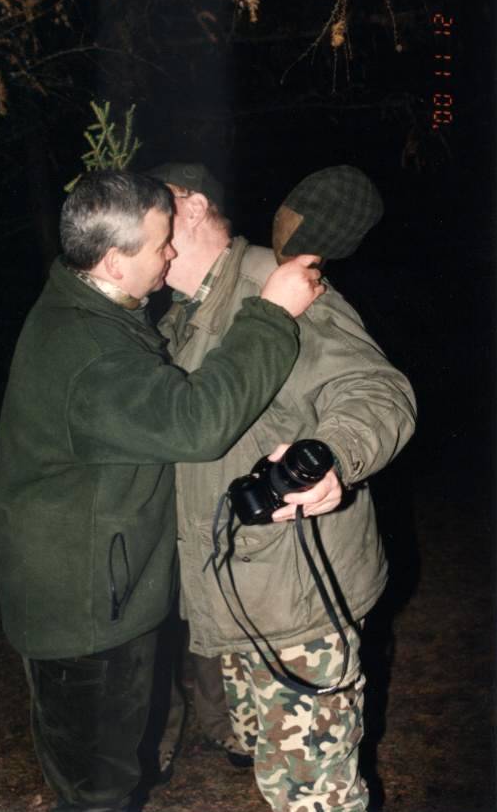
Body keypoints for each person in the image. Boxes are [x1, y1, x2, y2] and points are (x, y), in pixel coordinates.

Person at [0, 170, 325, 812]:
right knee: (98, 792)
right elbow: (197, 422)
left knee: (106, 776)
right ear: (115, 260)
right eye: (159, 244)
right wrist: (272, 312)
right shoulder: (89, 352)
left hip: (101, 592)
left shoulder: (92, 308)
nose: (171, 254)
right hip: (85, 617)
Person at [151, 161, 417, 812]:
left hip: (296, 601)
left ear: (189, 206)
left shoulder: (271, 286)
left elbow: (376, 390)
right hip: (241, 596)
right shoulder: (183, 318)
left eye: (146, 205)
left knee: (313, 798)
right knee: (282, 782)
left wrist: (334, 456)